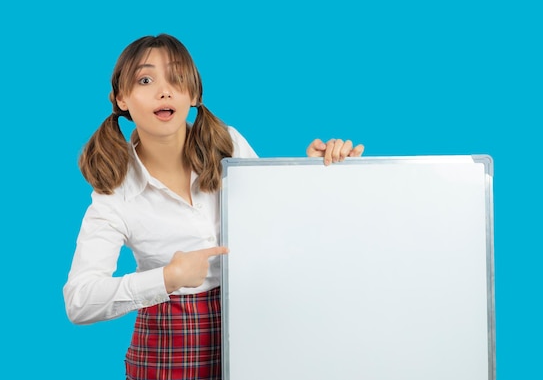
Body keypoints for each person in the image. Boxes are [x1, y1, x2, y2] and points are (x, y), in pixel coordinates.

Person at [63, 33, 364, 380]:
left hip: (255, 324)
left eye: (176, 77)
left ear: (193, 94)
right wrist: (167, 278)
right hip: (169, 349)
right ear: (122, 99)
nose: (165, 90)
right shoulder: (115, 194)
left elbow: (276, 226)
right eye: (146, 80)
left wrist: (314, 175)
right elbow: (79, 301)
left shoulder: (228, 145)